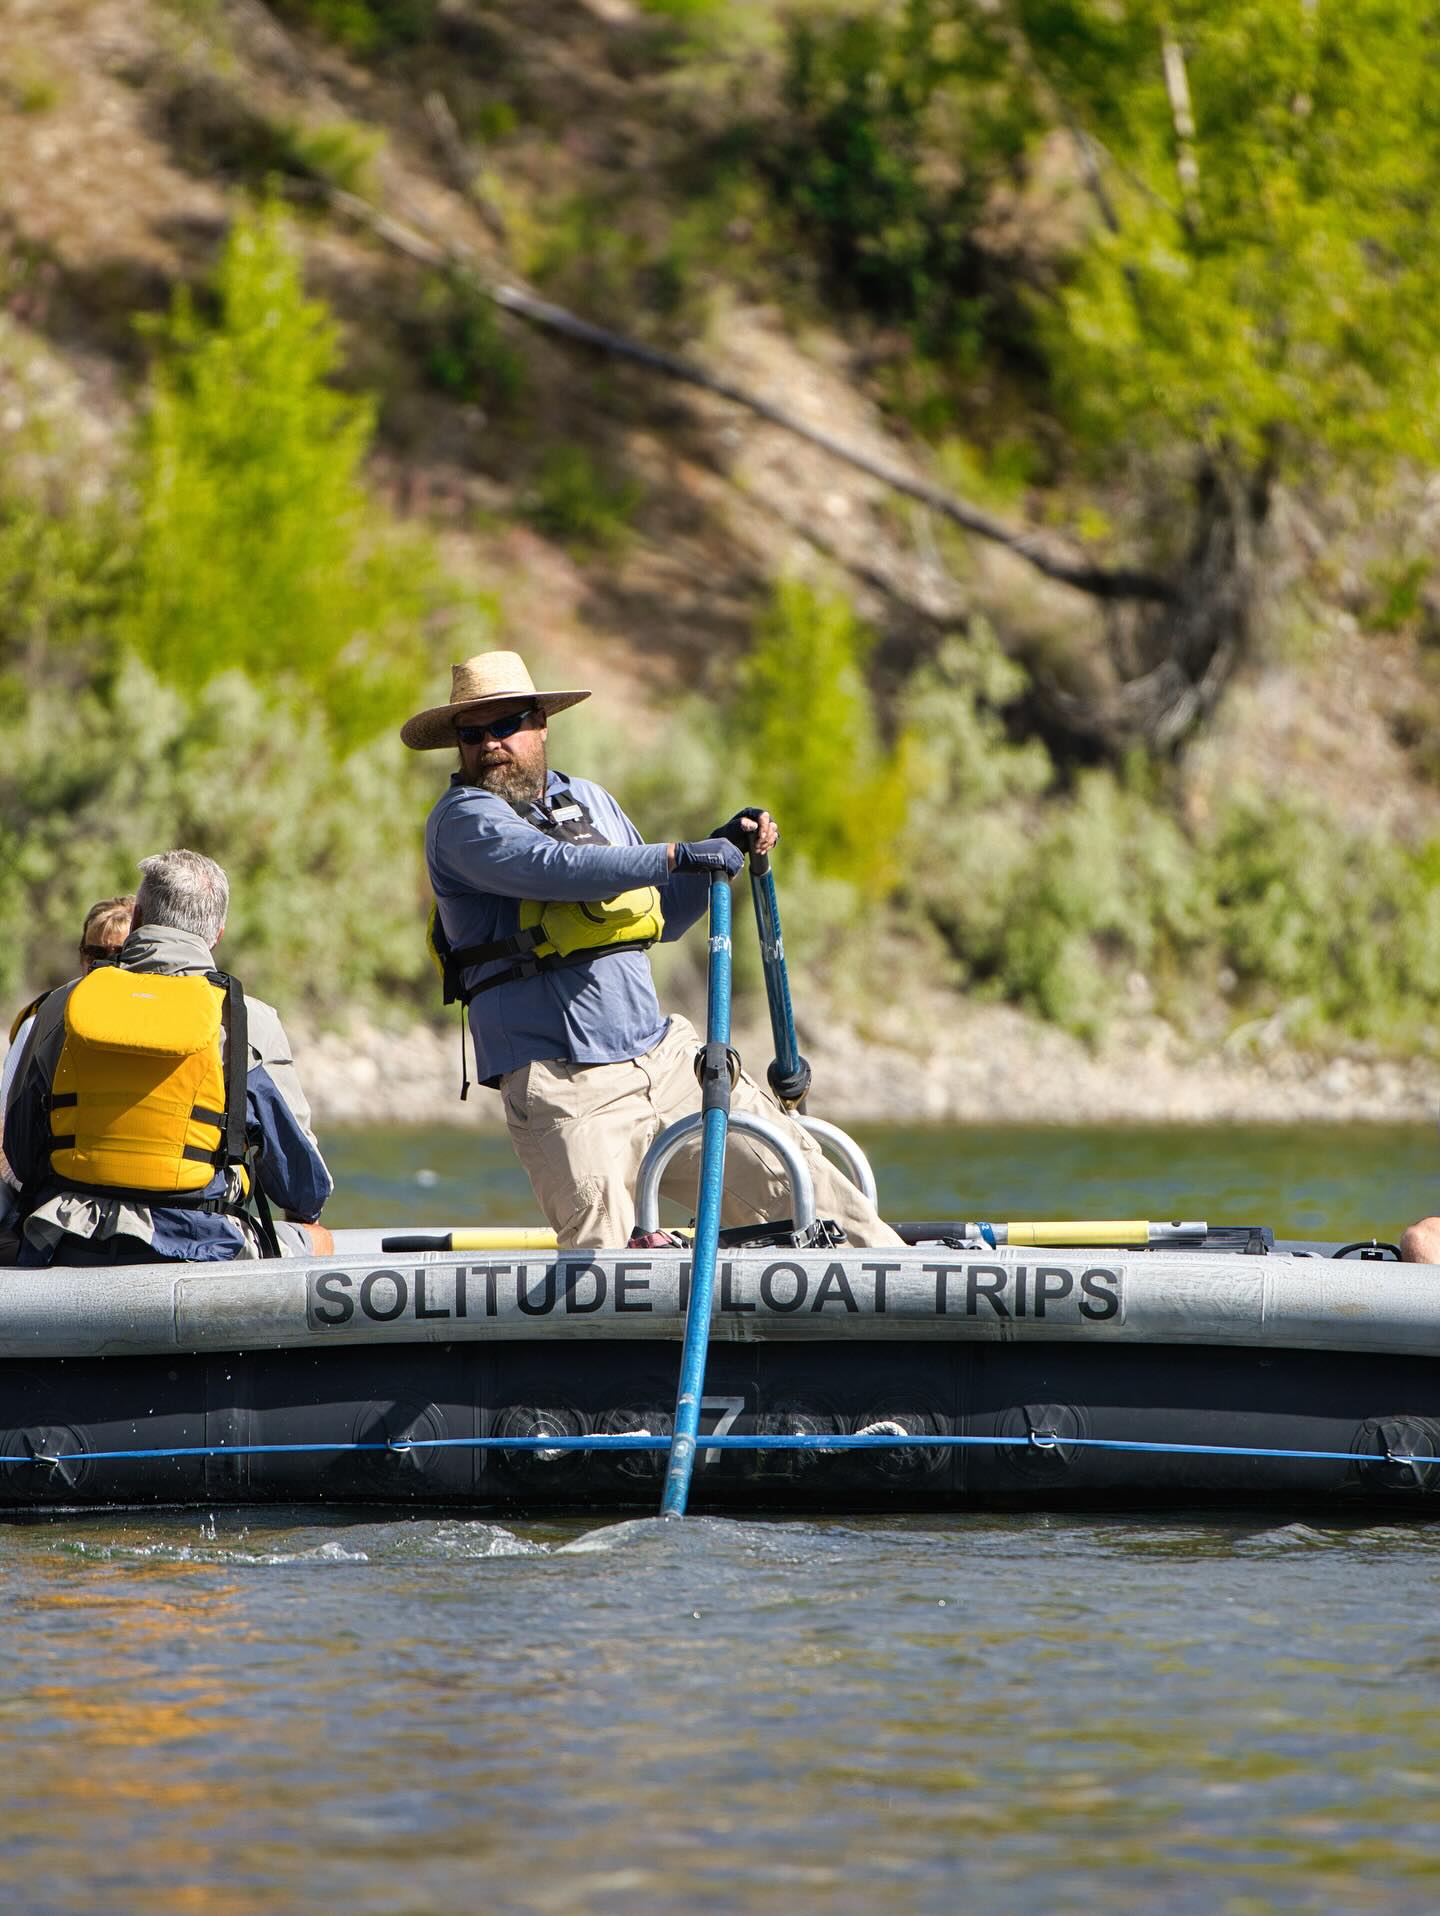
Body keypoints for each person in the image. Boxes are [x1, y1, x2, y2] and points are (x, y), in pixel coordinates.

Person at [402, 650, 904, 1252]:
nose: (490, 745)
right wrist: (676, 854)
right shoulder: (461, 822)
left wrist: (722, 850)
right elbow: (554, 867)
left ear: (540, 724)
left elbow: (661, 916)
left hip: (667, 1065)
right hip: (566, 1089)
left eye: (505, 726)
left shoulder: (590, 798)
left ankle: (910, 1306)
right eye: (472, 734)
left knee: (822, 1203)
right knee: (602, 1269)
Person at [3, 850, 334, 1266]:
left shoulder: (61, 1006)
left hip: (67, 1236)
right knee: (316, 1237)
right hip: (201, 1241)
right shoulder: (247, 1020)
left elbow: (21, 1150)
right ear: (217, 934)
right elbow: (301, 1185)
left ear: (137, 918)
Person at [1, 895, 136, 1186]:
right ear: (81, 955)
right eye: (94, 952)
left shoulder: (161, 1027)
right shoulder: (41, 1022)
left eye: (118, 954)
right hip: (54, 1185)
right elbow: (6, 1125)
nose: (103, 964)